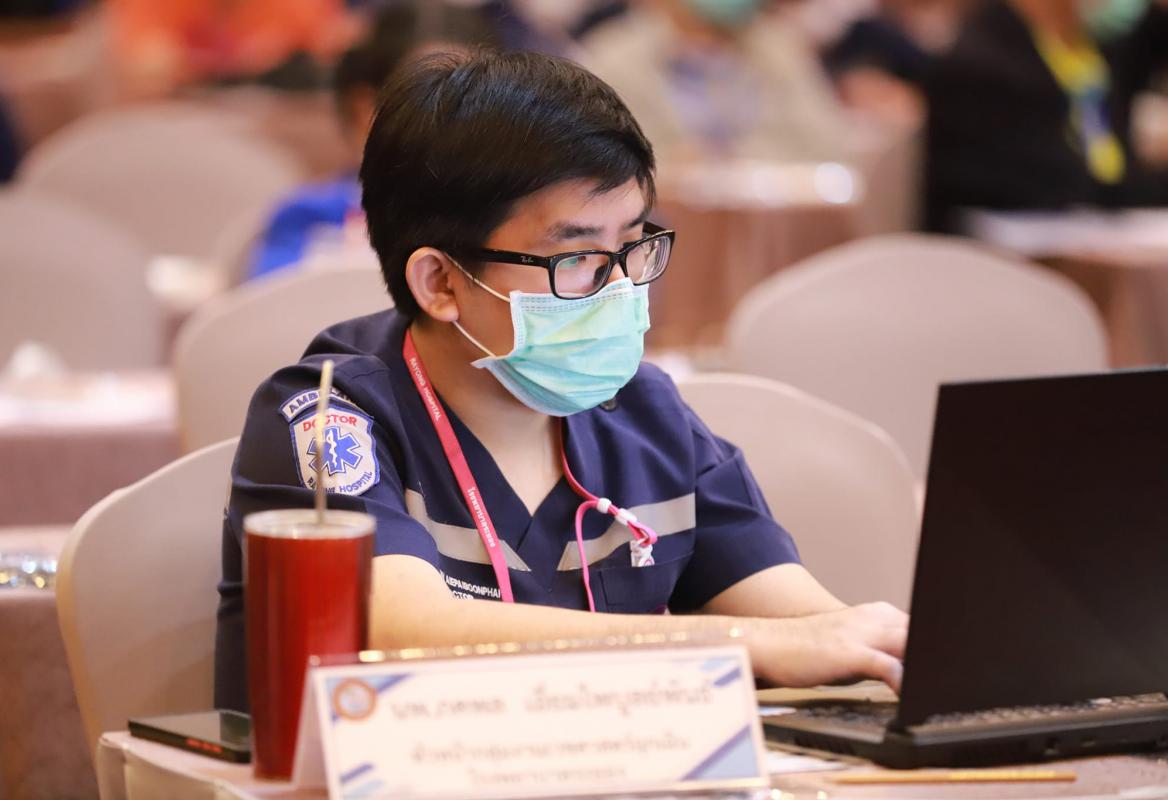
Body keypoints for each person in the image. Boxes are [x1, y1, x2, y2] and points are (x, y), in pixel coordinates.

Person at [215, 48, 907, 711]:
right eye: (576, 258)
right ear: (441, 282)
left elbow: (807, 625)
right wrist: (744, 644)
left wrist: (882, 645)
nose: (620, 288)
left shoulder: (645, 412)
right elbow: (402, 631)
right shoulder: (328, 414)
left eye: (631, 245)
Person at [247, 2, 497, 279]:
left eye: (475, 104)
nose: (455, 128)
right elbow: (274, 302)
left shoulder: (511, 221)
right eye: (427, 102)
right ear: (365, 109)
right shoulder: (310, 219)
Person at [923, 0, 1168, 232]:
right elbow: (1061, 185)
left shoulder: (1084, 51)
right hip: (1019, 246)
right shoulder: (982, 63)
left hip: (1106, 223)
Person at [577, 0, 850, 162]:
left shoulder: (781, 49)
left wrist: (732, 159)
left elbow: (829, 145)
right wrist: (671, 163)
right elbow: (599, 158)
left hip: (774, 224)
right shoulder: (615, 56)